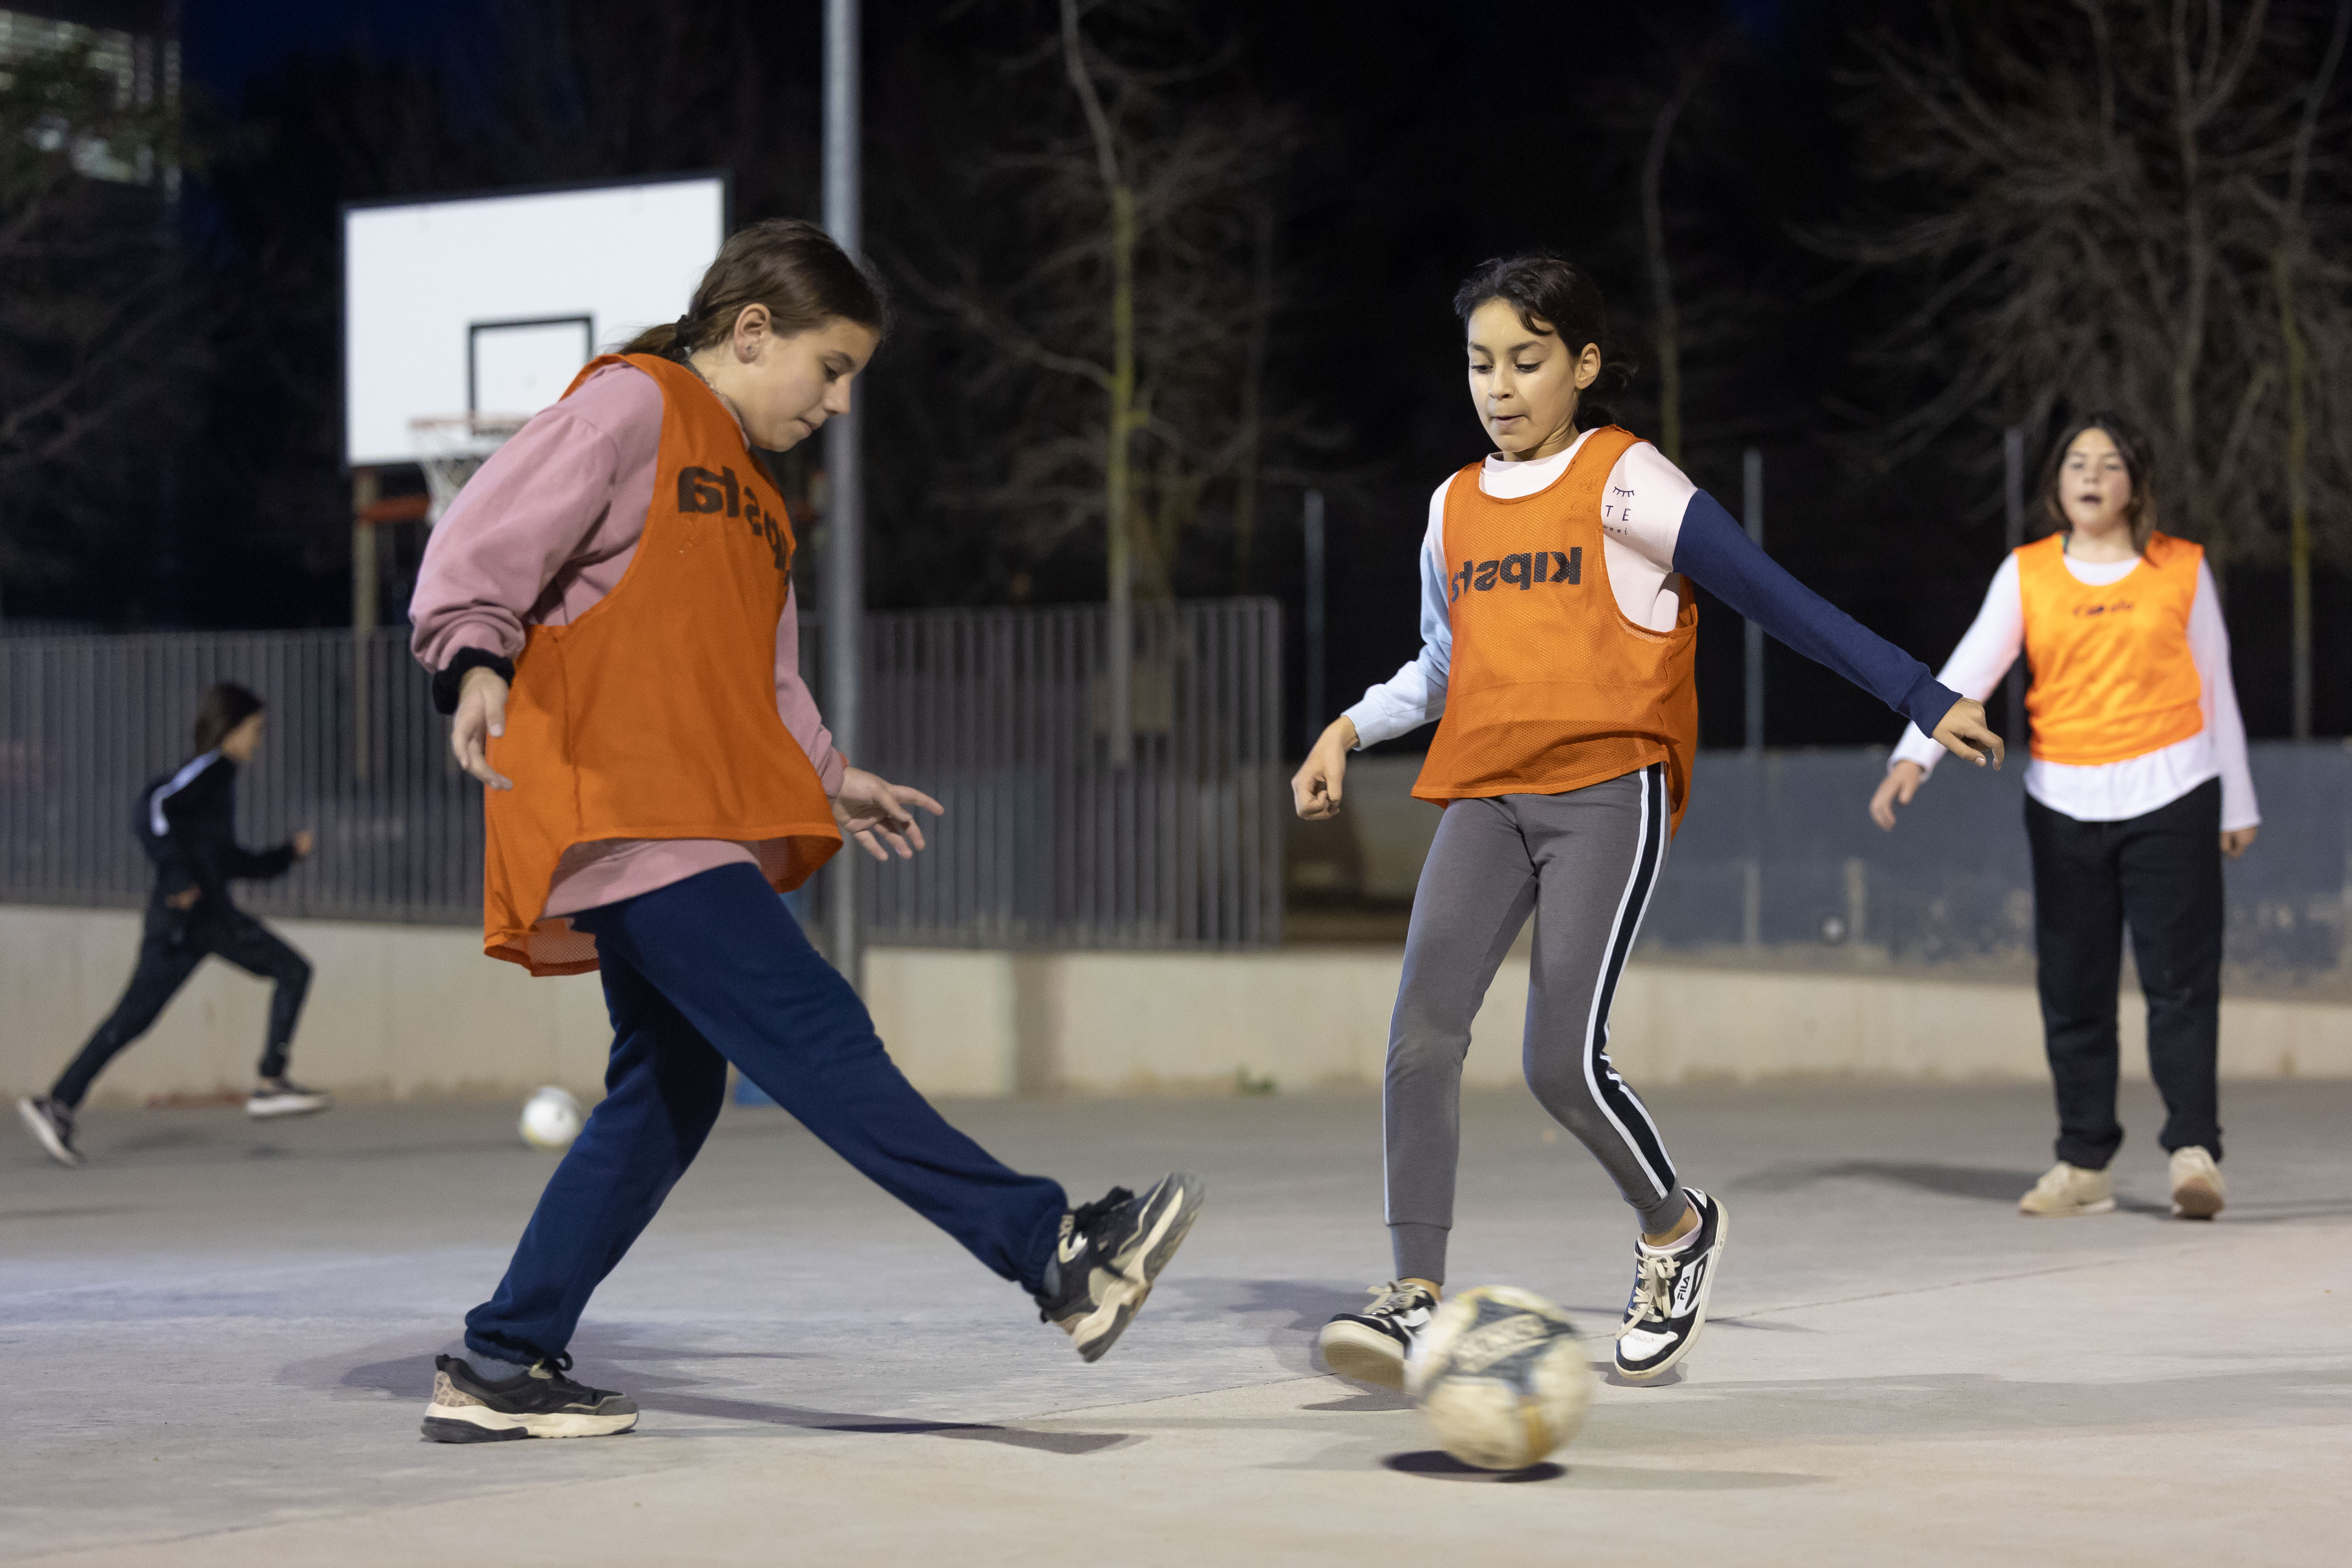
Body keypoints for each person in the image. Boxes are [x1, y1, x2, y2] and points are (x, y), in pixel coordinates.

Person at [405, 218, 1201, 1443]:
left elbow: (757, 674)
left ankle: (503, 1359)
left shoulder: (757, 497)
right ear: (750, 330)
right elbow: (479, 536)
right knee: (816, 1034)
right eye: (829, 370)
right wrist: (473, 658)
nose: (837, 402)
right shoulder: (631, 406)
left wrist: (828, 774)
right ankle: (1049, 1251)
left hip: (685, 812)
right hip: (623, 806)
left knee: (670, 1090)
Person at [1292, 252, 2003, 1388]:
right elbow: (1442, 665)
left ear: (1583, 364)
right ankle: (1413, 1295)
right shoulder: (1452, 506)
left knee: (1559, 1063)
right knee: (1419, 1036)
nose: (1500, 386)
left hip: (1603, 790)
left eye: (1527, 361)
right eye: (1480, 363)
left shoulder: (1626, 479)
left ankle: (1674, 1226)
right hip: (1485, 793)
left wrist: (1920, 694)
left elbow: (1774, 595)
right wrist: (1345, 728)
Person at [1869, 414, 2257, 1222]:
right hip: (2064, 803)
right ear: (2057, 483)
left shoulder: (2182, 567)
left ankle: (2194, 1153)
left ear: (2134, 484)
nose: (2090, 476)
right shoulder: (2027, 573)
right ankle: (2083, 1163)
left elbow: (2216, 686)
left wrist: (2238, 800)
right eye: (2076, 463)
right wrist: (1913, 757)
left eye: (2109, 464)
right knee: (2073, 989)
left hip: (2174, 793)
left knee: (2180, 984)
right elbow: (1972, 665)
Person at [17, 683, 326, 1167]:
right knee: (293, 970)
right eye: (256, 730)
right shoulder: (211, 769)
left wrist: (285, 856)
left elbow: (227, 861)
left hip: (188, 921)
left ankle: (56, 1105)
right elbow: (153, 805)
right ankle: (272, 1081)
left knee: (132, 1019)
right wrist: (177, 873)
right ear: (231, 729)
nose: (259, 740)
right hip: (195, 916)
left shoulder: (221, 785)